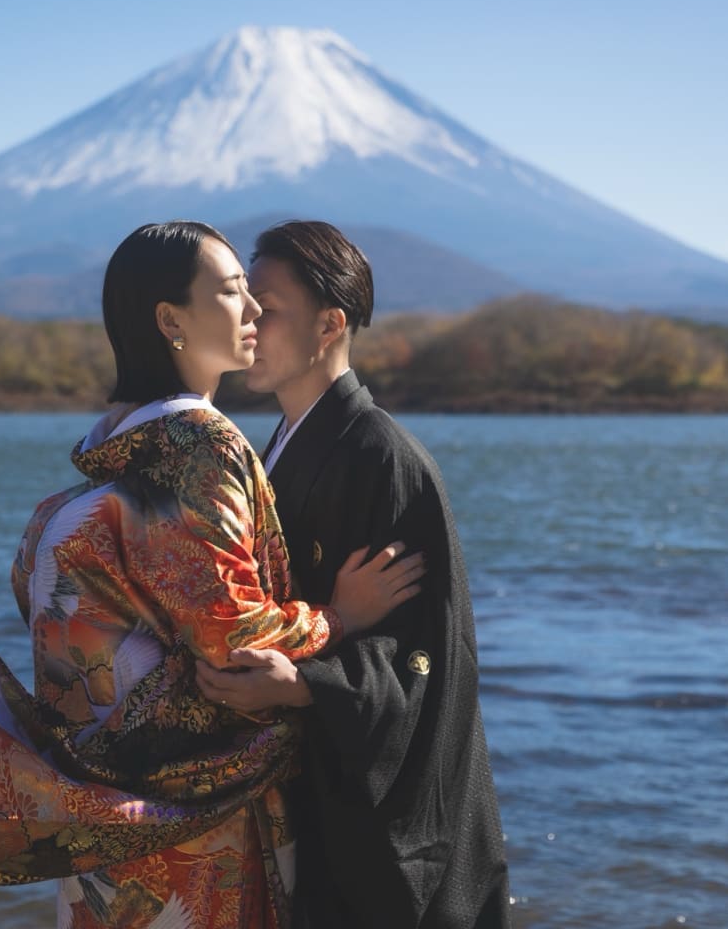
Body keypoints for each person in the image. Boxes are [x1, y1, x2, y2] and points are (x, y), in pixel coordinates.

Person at [0, 220, 420, 928]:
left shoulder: (107, 454)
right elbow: (232, 640)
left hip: (103, 820)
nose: (255, 308)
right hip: (193, 824)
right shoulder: (201, 445)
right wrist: (340, 618)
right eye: (233, 292)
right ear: (170, 321)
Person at [196, 221, 511, 927]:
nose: (248, 322)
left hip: (380, 832)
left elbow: (423, 660)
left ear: (330, 323)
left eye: (269, 308)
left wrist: (307, 684)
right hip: (309, 792)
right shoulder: (277, 446)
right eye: (245, 303)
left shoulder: (383, 459)